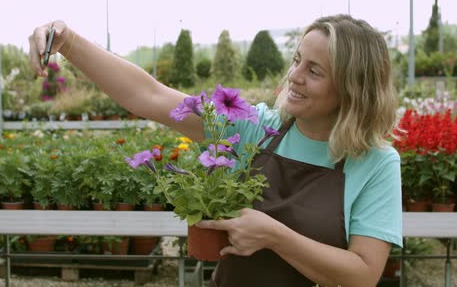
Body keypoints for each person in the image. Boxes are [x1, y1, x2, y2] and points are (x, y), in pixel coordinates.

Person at [28, 14, 402, 287]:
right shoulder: (256, 127)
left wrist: (274, 235)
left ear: (354, 87)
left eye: (315, 71)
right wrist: (70, 42)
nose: (295, 76)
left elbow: (364, 273)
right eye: (296, 60)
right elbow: (150, 96)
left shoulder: (376, 163)